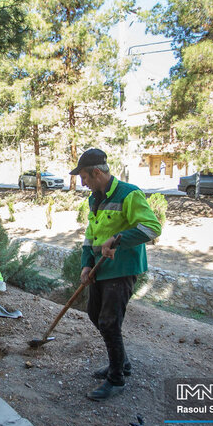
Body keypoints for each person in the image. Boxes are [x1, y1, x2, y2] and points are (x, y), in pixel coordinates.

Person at [71, 148, 161, 401]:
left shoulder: (129, 194)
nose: (84, 184)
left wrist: (118, 239)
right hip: (99, 268)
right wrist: (85, 264)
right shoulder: (94, 199)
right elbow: (91, 234)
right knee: (94, 315)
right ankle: (122, 363)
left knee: (110, 322)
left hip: (121, 270)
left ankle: (116, 379)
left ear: (97, 172)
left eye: (85, 178)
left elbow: (153, 228)